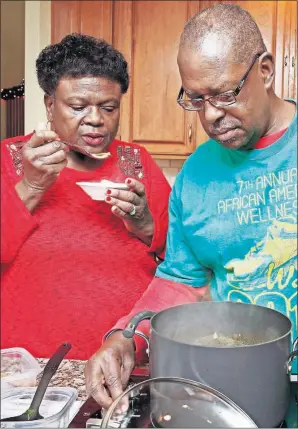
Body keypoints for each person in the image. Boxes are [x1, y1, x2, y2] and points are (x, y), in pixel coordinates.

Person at [85, 3, 297, 408]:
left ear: (265, 70)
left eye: (225, 93)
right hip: (238, 386)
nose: (213, 115)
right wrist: (127, 336)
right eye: (197, 99)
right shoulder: (195, 174)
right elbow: (181, 280)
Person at [1, 34, 171, 360]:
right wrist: (33, 187)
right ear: (50, 104)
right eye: (78, 107)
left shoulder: (136, 162)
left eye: (108, 107)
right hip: (32, 366)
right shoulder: (9, 160)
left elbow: (179, 260)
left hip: (127, 357)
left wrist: (145, 225)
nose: (95, 119)